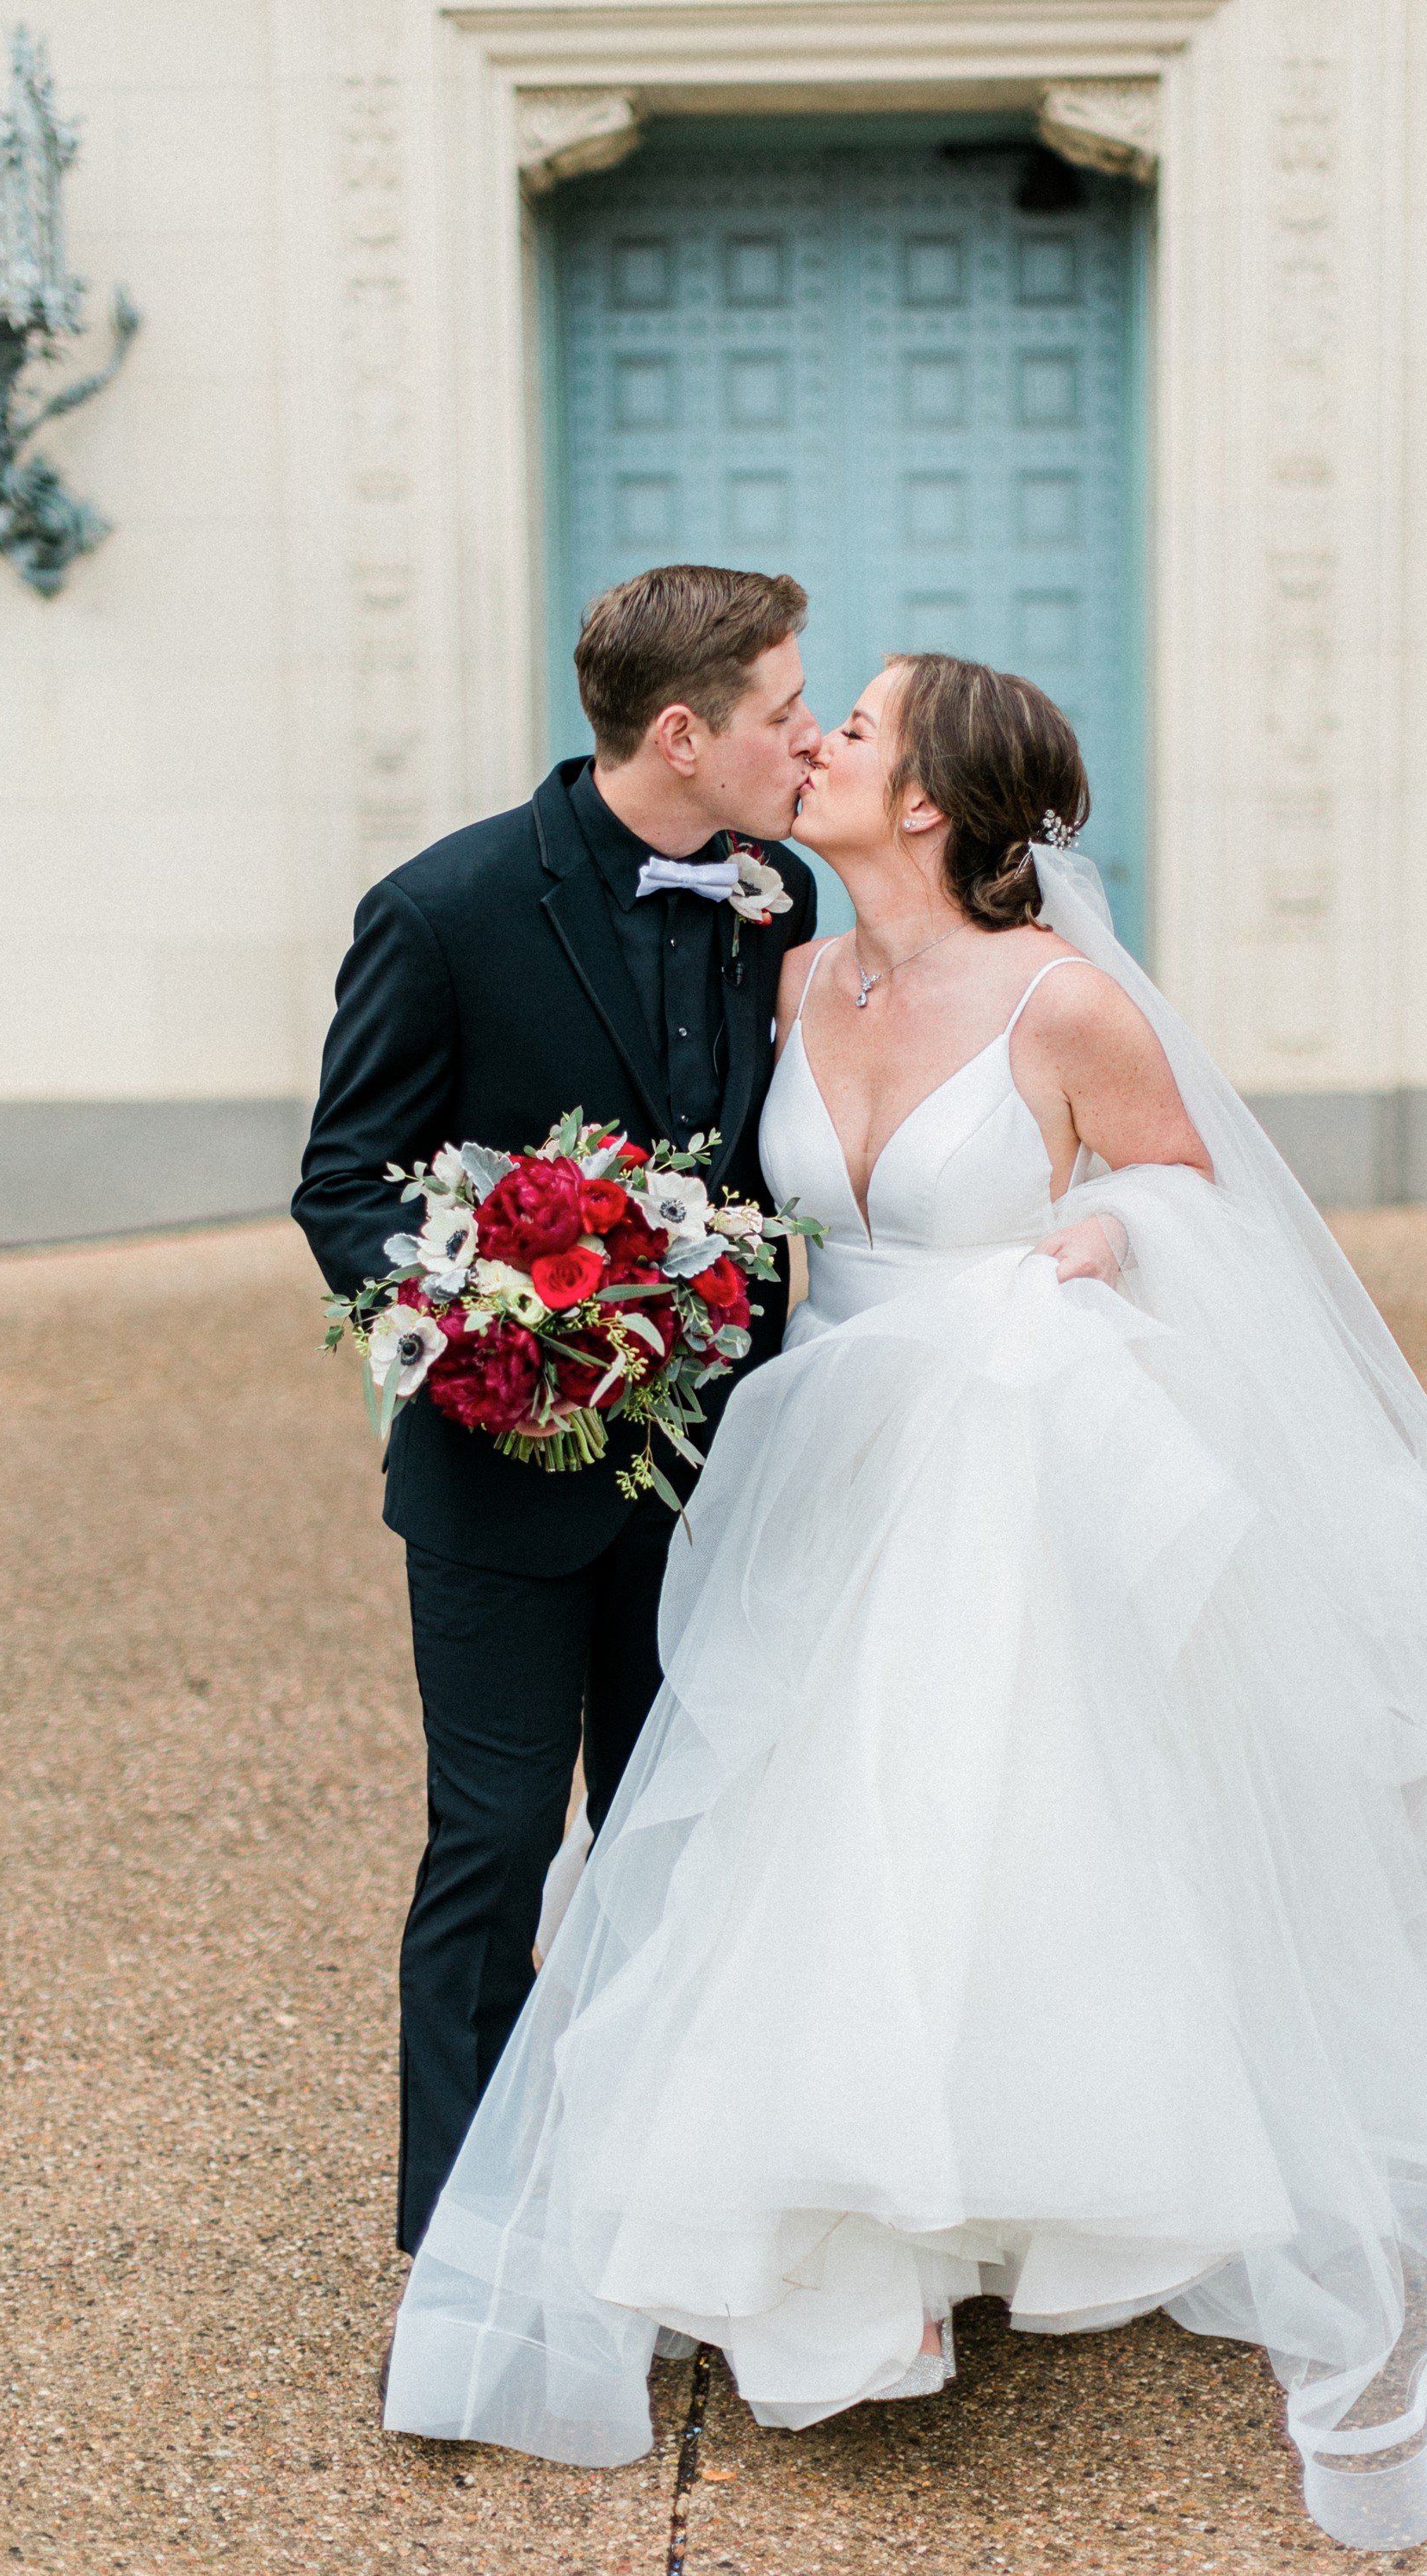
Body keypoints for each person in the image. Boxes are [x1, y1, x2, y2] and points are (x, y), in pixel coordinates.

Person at [380, 654, 1427, 2553]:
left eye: (852, 728)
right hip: (815, 1460)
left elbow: (1208, 1197)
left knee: (986, 1816)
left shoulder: (1063, 1003)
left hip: (998, 1453)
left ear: (934, 798)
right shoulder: (786, 967)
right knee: (792, 1821)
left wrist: (1111, 1228)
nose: (817, 747)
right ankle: (844, 2202)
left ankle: (968, 2207)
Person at [293, 564, 831, 2265]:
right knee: (500, 1835)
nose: (806, 740)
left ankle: (647, 2203)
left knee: (679, 1832)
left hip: (715, 1474)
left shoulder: (780, 895)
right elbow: (343, 1186)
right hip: (500, 1476)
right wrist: (502, 1317)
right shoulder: (440, 907)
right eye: (780, 712)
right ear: (683, 735)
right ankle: (462, 2248)